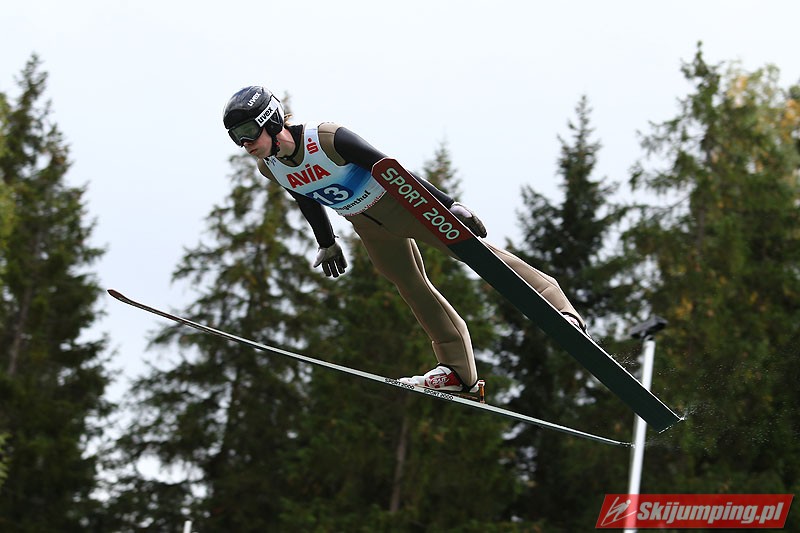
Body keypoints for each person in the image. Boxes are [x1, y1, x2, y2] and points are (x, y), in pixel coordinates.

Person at [222, 85, 587, 395]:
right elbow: (304, 196)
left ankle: (560, 308)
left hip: (402, 204)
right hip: (366, 225)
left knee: (477, 255)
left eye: (249, 132)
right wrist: (327, 241)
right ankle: (458, 372)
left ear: (271, 120)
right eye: (237, 138)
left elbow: (391, 167)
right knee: (410, 284)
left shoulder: (328, 138)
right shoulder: (270, 167)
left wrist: (449, 205)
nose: (245, 144)